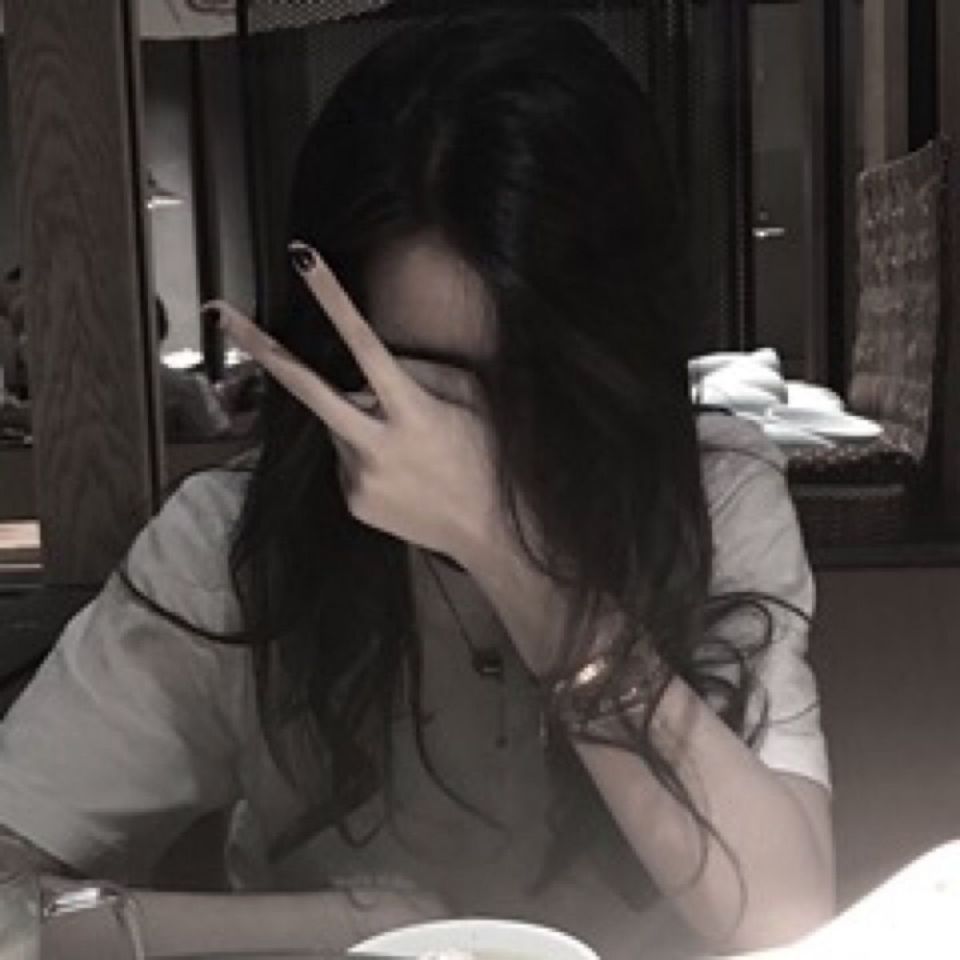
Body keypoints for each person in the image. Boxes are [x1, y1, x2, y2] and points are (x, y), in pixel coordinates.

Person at [0, 11, 833, 959]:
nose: (483, 443)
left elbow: (786, 915)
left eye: (539, 381)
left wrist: (517, 567)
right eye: (428, 386)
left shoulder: (714, 493)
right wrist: (337, 927)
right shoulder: (232, 547)